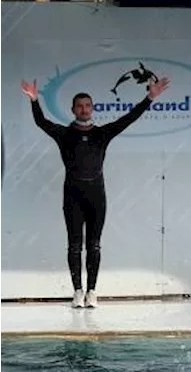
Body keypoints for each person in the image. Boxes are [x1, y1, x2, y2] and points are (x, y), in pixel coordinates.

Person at [21, 76, 170, 308]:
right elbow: (41, 122)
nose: (84, 109)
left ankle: (92, 291)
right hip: (73, 195)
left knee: (95, 244)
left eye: (88, 105)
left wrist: (150, 97)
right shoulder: (64, 134)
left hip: (96, 196)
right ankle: (77, 292)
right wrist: (34, 99)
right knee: (74, 245)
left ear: (92, 108)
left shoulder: (102, 134)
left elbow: (128, 119)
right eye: (79, 106)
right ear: (72, 110)